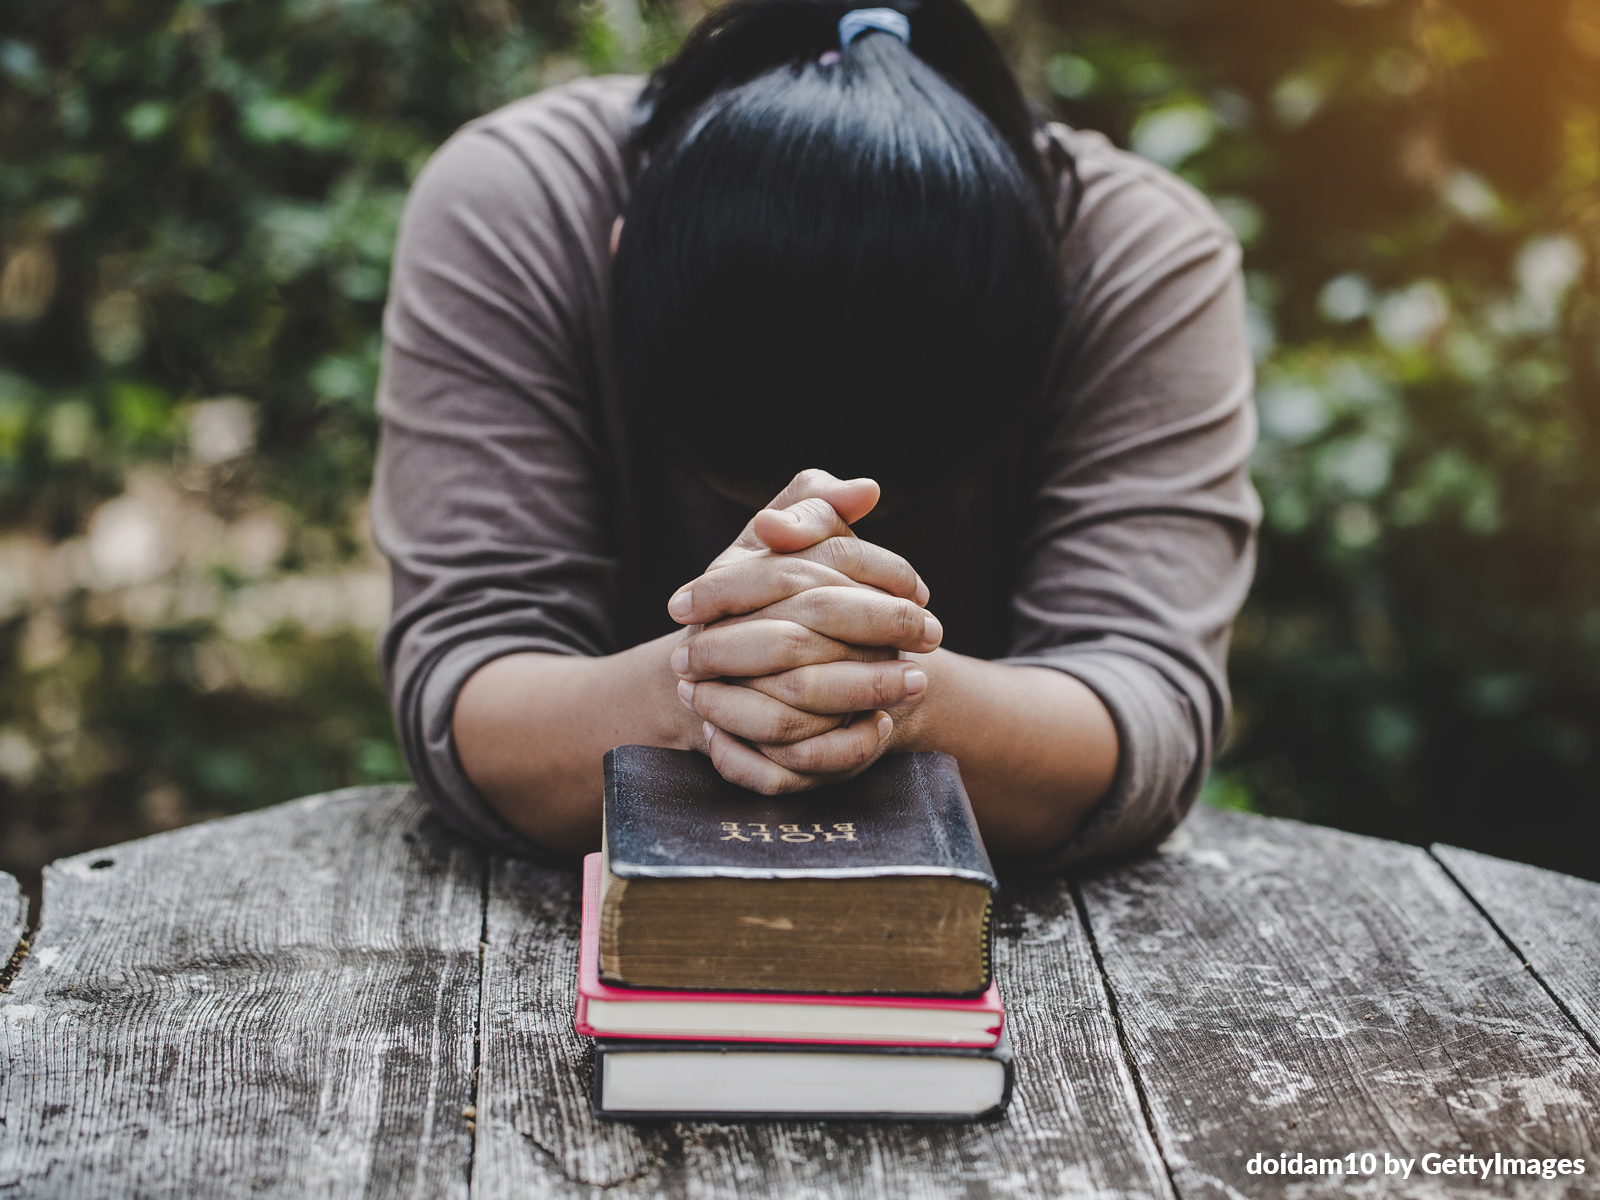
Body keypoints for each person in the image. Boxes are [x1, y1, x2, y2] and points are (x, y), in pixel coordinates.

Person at [372, 0, 1260, 873]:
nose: (805, 516)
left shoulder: (1135, 257)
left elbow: (1146, 704)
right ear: (616, 259)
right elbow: (470, 683)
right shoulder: (515, 205)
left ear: (1045, 311)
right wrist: (706, 679)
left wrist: (882, 690)